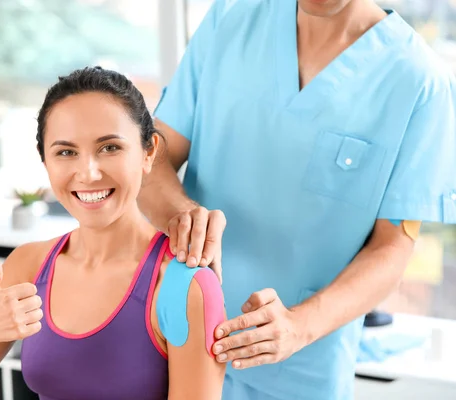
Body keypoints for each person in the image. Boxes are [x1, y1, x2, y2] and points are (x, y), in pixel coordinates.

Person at [137, 0, 456, 399]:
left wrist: (297, 326)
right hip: (172, 338)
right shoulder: (230, 20)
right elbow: (152, 159)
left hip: (299, 372)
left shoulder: (418, 82)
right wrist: (182, 214)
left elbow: (392, 249)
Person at [0, 67, 226, 400]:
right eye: (66, 152)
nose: (88, 173)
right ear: (45, 162)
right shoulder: (28, 266)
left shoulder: (184, 287)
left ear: (148, 152)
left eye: (109, 148)